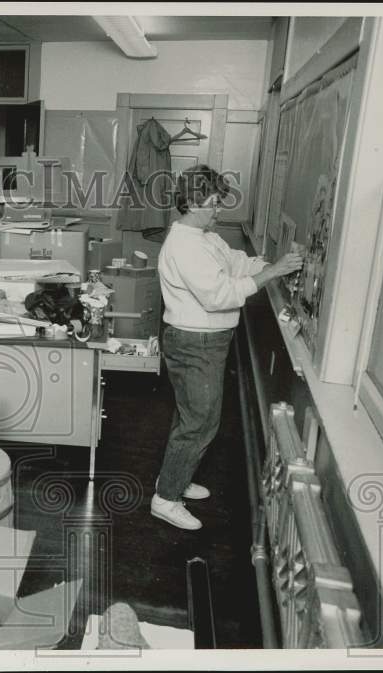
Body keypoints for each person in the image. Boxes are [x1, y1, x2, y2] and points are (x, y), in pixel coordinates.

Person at [152, 164, 303, 530]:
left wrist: (269, 266)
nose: (221, 209)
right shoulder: (185, 245)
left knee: (193, 416)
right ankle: (165, 500)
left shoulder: (205, 237)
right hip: (195, 343)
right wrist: (272, 273)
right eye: (216, 203)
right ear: (194, 202)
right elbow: (220, 295)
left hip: (205, 341)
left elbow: (235, 263)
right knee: (201, 421)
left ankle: (173, 478)